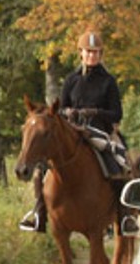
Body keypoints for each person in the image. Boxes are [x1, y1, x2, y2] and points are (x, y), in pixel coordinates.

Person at [18, 31, 124, 233]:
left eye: (95, 52)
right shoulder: (71, 80)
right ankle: (39, 214)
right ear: (81, 53)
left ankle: (121, 215)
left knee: (118, 163)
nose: (92, 56)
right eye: (88, 52)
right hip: (71, 130)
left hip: (99, 130)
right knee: (41, 170)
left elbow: (117, 113)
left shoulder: (108, 81)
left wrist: (94, 111)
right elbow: (60, 109)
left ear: (100, 54)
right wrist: (68, 112)